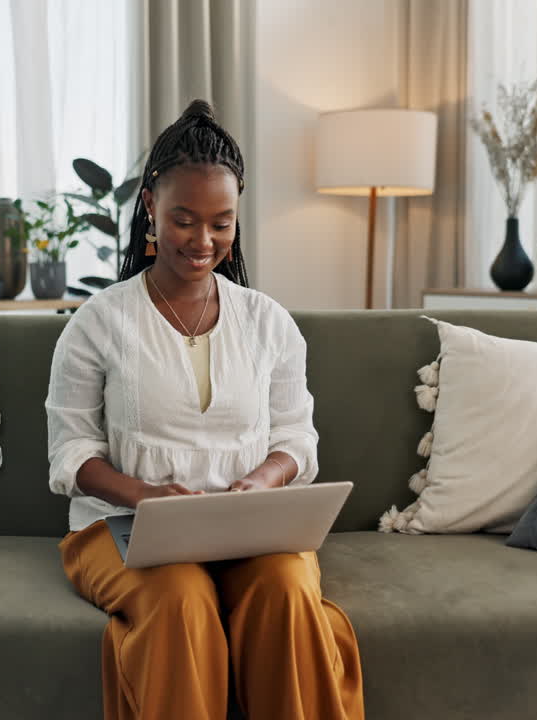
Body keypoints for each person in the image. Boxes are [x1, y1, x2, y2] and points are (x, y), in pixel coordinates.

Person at [46, 99, 364, 720]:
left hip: (251, 528)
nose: (203, 241)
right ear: (151, 209)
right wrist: (144, 495)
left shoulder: (268, 321)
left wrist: (258, 483)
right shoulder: (98, 323)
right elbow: (71, 454)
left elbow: (297, 440)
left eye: (222, 223)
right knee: (180, 598)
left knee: (288, 589)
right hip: (120, 526)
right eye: (185, 220)